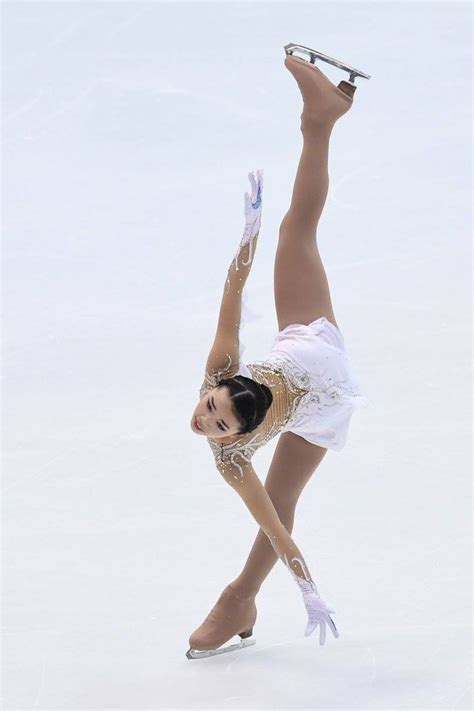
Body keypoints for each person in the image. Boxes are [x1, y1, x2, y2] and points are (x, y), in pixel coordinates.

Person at [187, 48, 369, 659]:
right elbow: (233, 289)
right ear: (223, 386)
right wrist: (249, 235)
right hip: (308, 364)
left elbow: (272, 519)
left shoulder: (231, 451)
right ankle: (321, 120)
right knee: (295, 231)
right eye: (211, 409)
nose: (202, 420)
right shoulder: (222, 383)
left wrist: (307, 586)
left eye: (213, 420)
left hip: (321, 382)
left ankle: (239, 597)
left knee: (280, 497)